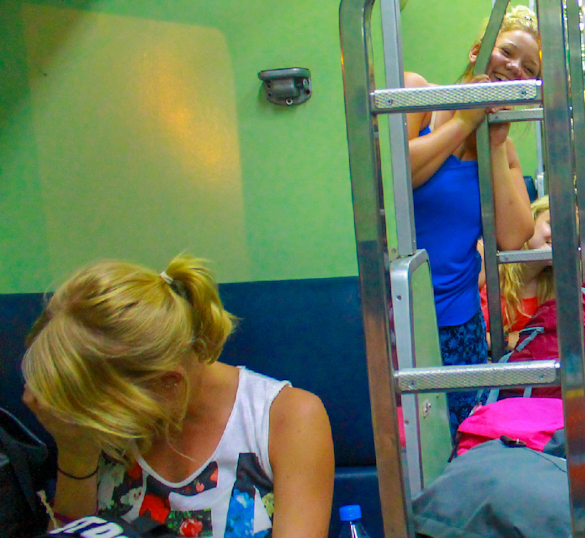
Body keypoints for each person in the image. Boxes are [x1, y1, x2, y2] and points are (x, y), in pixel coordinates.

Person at [21, 255, 334, 537]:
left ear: (168, 383)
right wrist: (76, 451)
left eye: (93, 410)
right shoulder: (95, 432)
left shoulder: (286, 418)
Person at [404, 5, 539, 436]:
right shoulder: (417, 95)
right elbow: (397, 175)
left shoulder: (501, 149)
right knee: (411, 450)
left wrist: (494, 143)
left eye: (528, 68)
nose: (514, 67)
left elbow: (514, 237)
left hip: (460, 327)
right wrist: (464, 120)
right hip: (403, 320)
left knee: (460, 444)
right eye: (507, 52)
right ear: (478, 51)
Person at [480, 197, 554, 349]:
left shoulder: (559, 284)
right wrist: (509, 340)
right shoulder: (486, 256)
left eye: (570, 232)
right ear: (531, 220)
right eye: (551, 224)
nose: (561, 235)